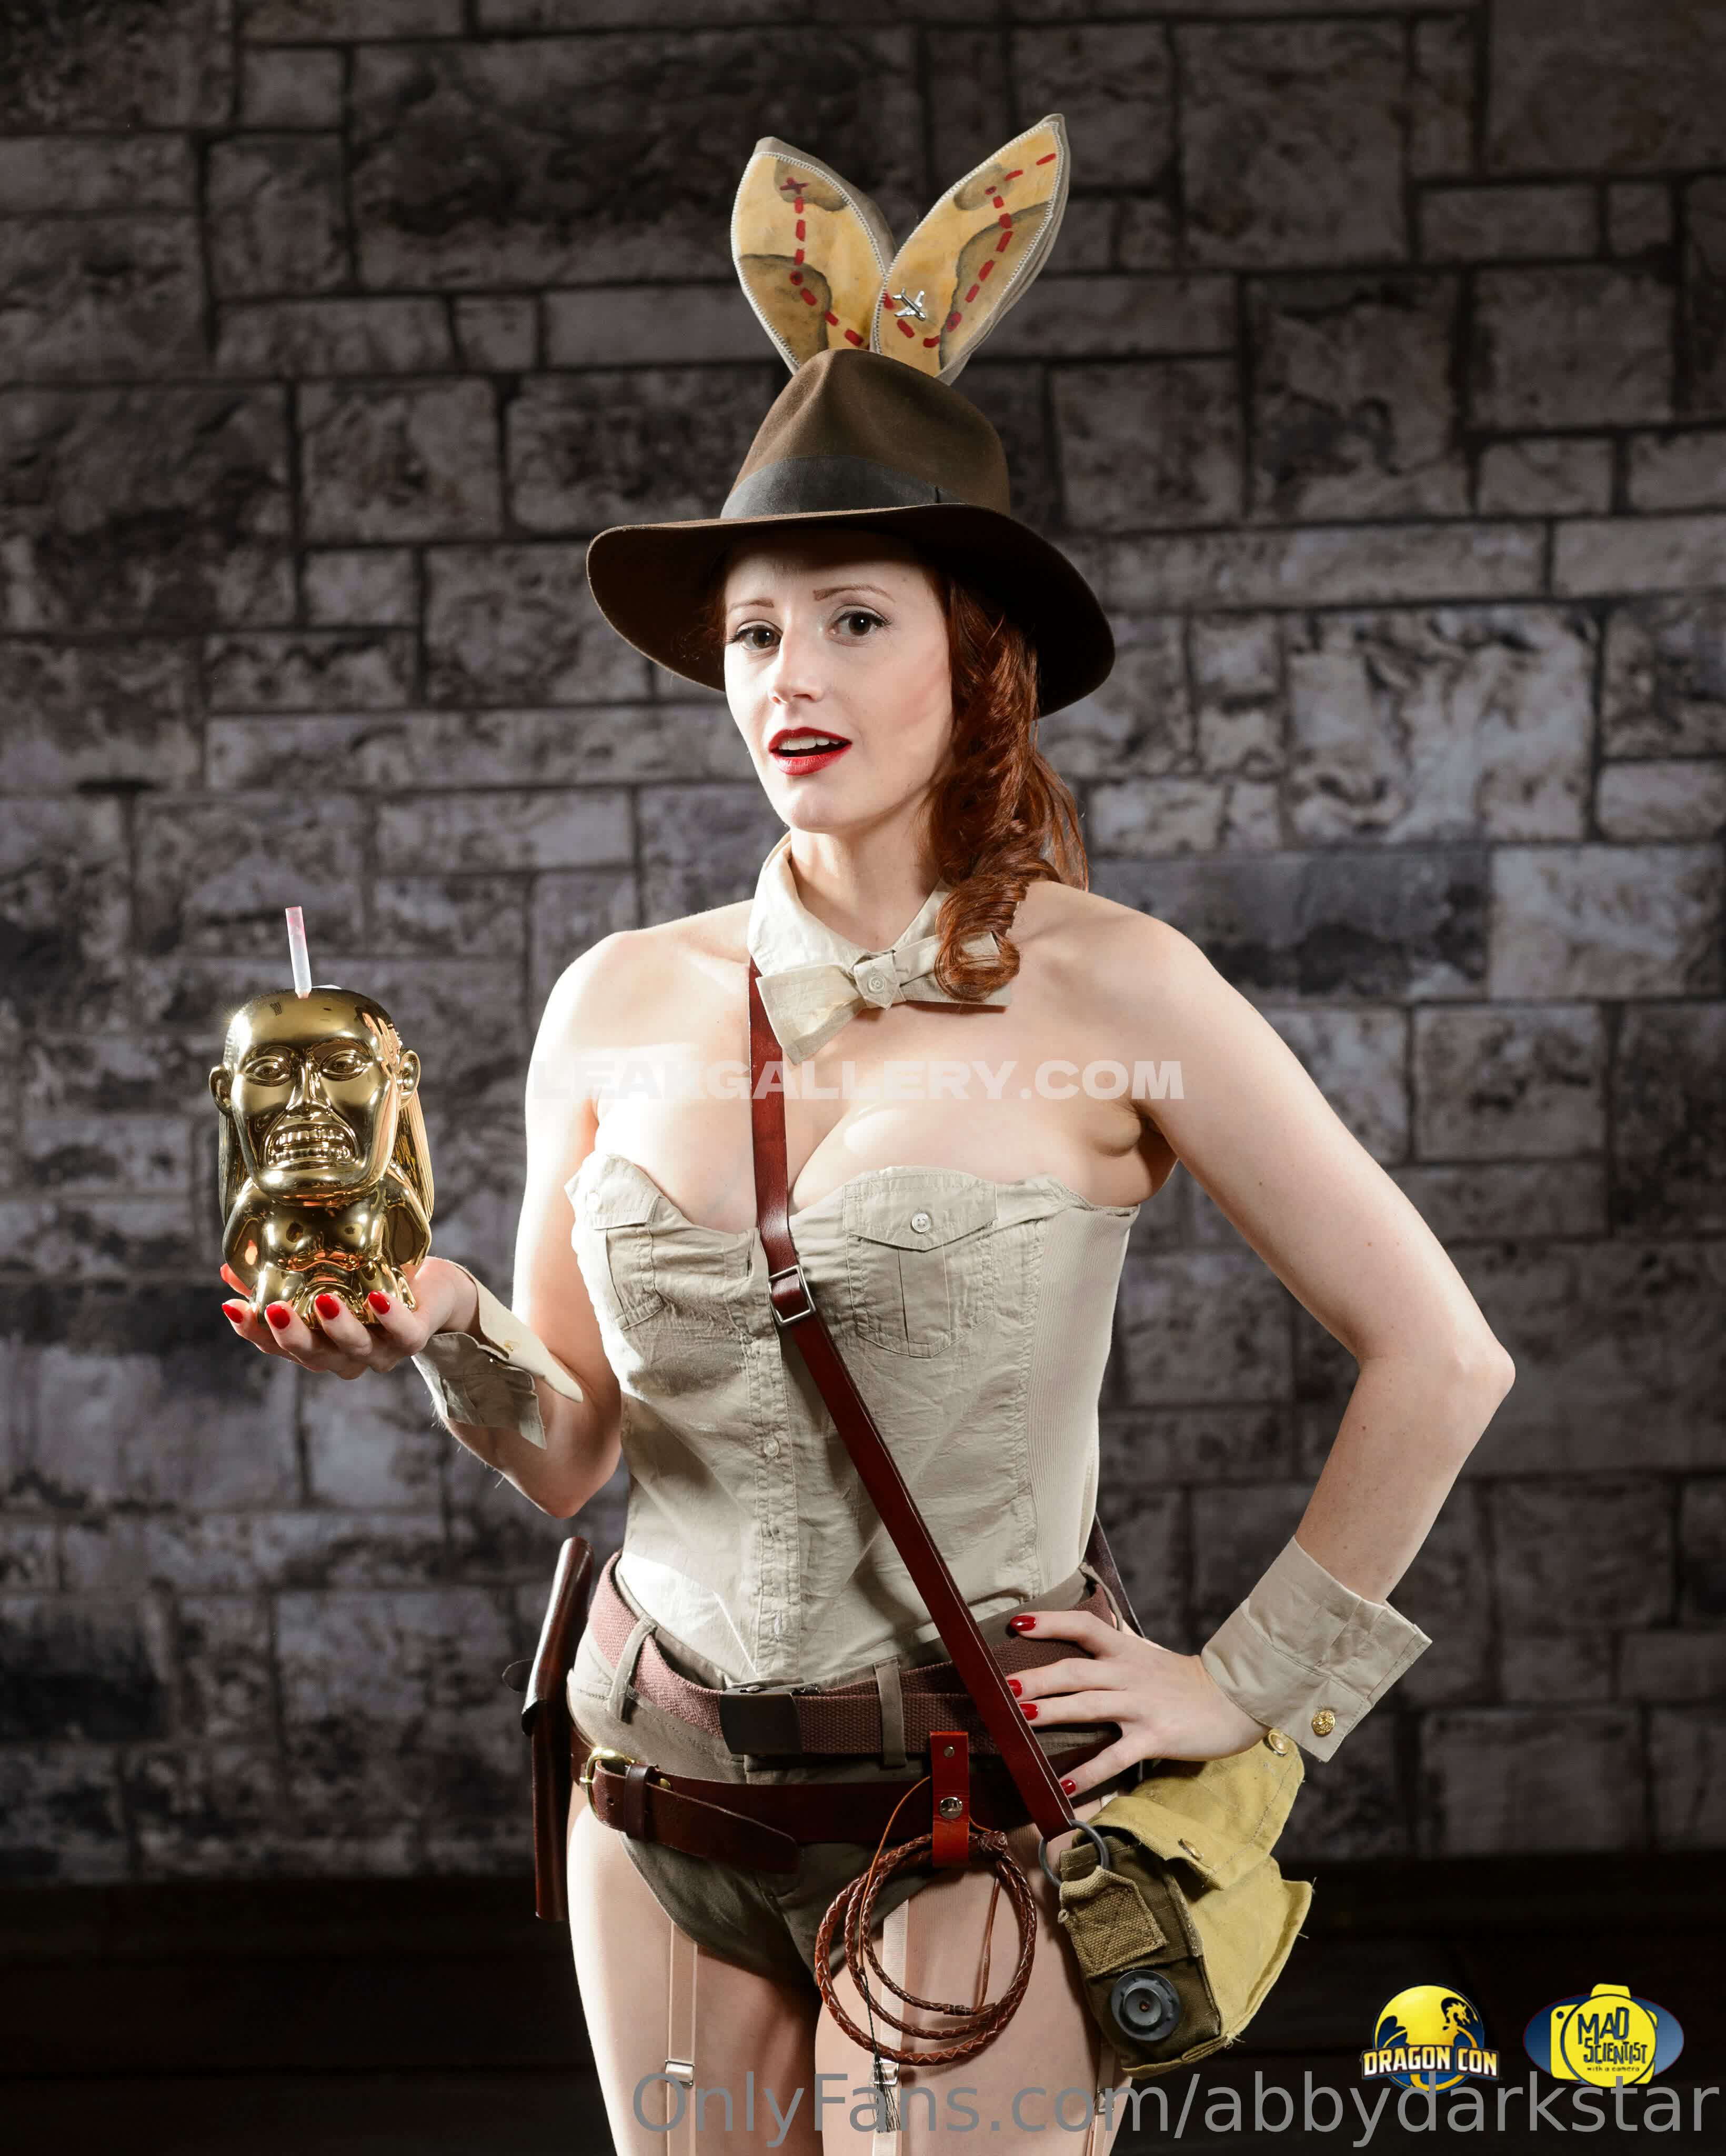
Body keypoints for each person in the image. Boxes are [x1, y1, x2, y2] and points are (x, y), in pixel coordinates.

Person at [219, 121, 1517, 2155]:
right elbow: (571, 1452)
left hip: (967, 1807)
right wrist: (449, 1331)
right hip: (657, 1789)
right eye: (754, 633)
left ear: (974, 656)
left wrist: (1253, 1680)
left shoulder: (1117, 989)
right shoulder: (613, 997)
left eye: (851, 620)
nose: (788, 679)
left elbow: (1442, 1356)